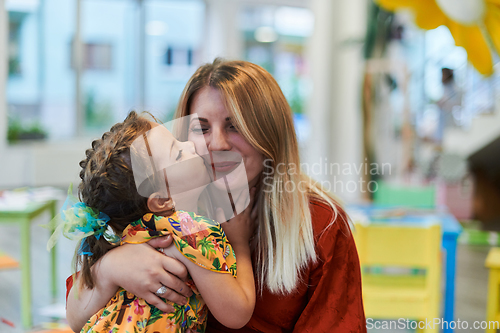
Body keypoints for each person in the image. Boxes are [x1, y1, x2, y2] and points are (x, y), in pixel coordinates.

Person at [66, 59, 366, 332]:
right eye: (201, 127)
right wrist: (110, 269)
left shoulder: (321, 224)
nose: (218, 143)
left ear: (270, 134)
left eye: (236, 126)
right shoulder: (156, 214)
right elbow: (76, 319)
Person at [61, 111, 256, 332]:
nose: (191, 146)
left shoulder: (122, 234)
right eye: (178, 154)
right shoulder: (189, 231)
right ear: (162, 200)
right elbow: (236, 313)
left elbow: (78, 321)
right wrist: (240, 244)